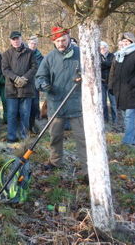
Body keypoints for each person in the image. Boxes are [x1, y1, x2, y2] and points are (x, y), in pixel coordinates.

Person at [35, 26, 87, 178]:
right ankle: (55, 161)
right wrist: (44, 84)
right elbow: (40, 77)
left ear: (69, 37)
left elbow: (93, 72)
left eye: (63, 40)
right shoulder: (50, 57)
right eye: (57, 41)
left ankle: (87, 169)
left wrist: (84, 77)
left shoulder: (81, 54)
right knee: (55, 136)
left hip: (78, 104)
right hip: (56, 103)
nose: (61, 43)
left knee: (82, 138)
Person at [109, 32, 135, 146]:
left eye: (127, 41)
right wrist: (112, 86)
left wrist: (131, 83)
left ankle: (127, 142)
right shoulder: (119, 55)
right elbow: (113, 73)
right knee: (127, 117)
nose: (125, 43)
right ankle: (133, 140)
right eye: (123, 41)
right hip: (120, 92)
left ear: (132, 42)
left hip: (132, 92)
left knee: (129, 117)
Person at [2, 31, 38, 142]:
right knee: (12, 114)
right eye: (13, 39)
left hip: (26, 88)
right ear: (10, 41)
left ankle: (24, 136)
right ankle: (11, 136)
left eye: (17, 38)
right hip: (11, 88)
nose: (16, 41)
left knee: (25, 114)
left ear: (21, 39)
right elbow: (5, 69)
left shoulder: (30, 53)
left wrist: (24, 78)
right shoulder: (6, 54)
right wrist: (16, 78)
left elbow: (34, 67)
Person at [27, 35, 43, 134]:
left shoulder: (40, 56)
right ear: (28, 44)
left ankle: (34, 126)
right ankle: (25, 127)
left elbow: (42, 70)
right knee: (25, 107)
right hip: (25, 83)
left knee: (35, 106)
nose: (33, 45)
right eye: (31, 43)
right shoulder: (24, 54)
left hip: (35, 84)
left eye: (35, 43)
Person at [100, 41, 117, 126]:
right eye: (101, 48)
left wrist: (103, 64)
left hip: (111, 83)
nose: (103, 49)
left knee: (113, 103)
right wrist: (108, 65)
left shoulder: (112, 56)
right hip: (101, 83)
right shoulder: (97, 56)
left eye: (104, 47)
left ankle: (115, 121)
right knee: (103, 103)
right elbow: (99, 66)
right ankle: (105, 120)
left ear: (107, 48)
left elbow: (113, 65)